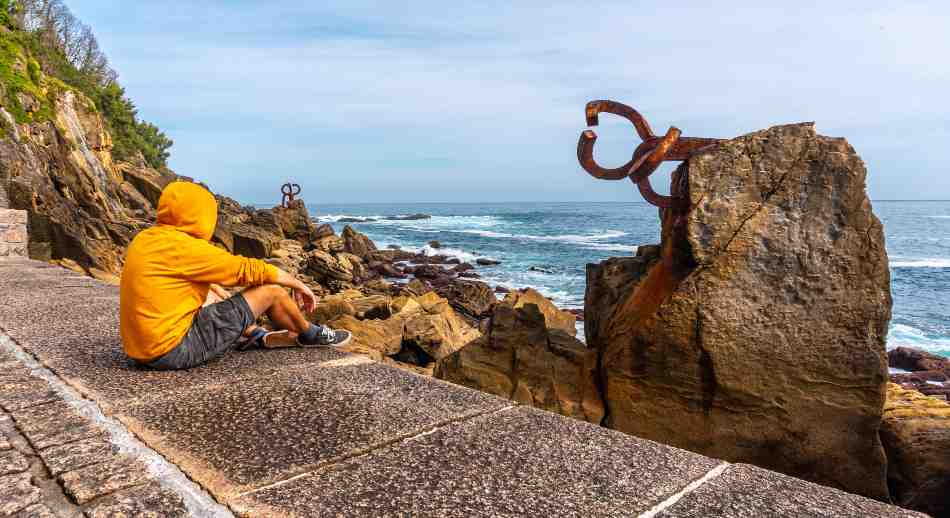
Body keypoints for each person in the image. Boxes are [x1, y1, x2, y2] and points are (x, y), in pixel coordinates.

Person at [119, 181, 350, 370]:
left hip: (141, 350)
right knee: (272, 291)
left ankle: (254, 334)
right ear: (199, 215)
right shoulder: (184, 247)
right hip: (172, 351)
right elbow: (248, 270)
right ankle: (311, 335)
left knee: (212, 289)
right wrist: (298, 283)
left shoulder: (147, 239)